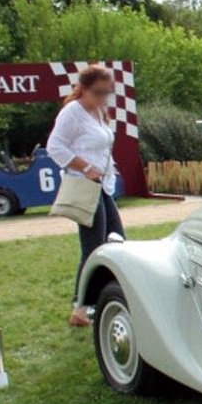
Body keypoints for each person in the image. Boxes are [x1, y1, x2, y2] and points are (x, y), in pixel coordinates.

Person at [46, 65, 124, 328]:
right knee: (93, 248)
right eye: (99, 92)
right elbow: (54, 147)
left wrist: (107, 169)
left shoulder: (99, 112)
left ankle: (105, 297)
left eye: (107, 92)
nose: (104, 97)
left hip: (103, 186)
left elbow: (102, 145)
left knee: (116, 240)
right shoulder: (73, 112)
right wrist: (86, 167)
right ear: (85, 89)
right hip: (85, 186)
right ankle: (80, 308)